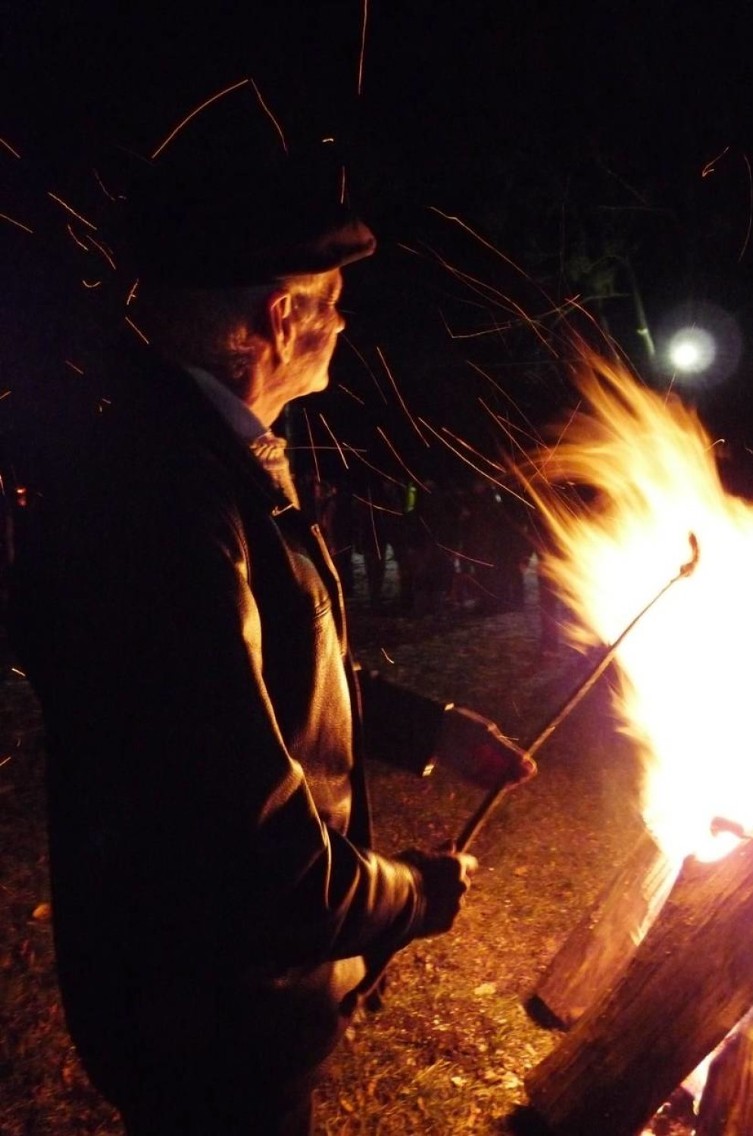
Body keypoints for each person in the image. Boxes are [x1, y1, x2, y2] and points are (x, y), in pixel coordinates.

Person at [9, 95, 535, 1136]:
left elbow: (247, 673)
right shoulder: (168, 499)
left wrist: (427, 731)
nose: (345, 321)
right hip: (206, 1016)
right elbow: (260, 862)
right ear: (278, 314)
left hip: (204, 999)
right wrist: (416, 892)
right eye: (332, 297)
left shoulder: (192, 457)